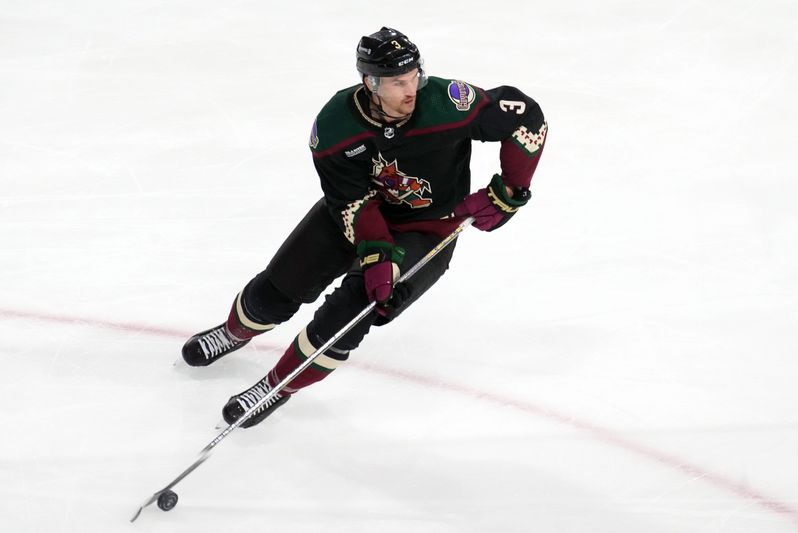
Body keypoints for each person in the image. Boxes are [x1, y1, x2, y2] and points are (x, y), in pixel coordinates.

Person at [181, 27, 548, 428]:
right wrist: (376, 254)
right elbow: (352, 201)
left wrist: (510, 190)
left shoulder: (448, 104)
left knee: (352, 309)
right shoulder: (335, 127)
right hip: (354, 213)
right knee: (278, 288)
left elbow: (524, 114)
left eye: (414, 77)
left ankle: (276, 387)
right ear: (370, 83)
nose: (410, 90)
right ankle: (235, 331)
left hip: (428, 230)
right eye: (396, 82)